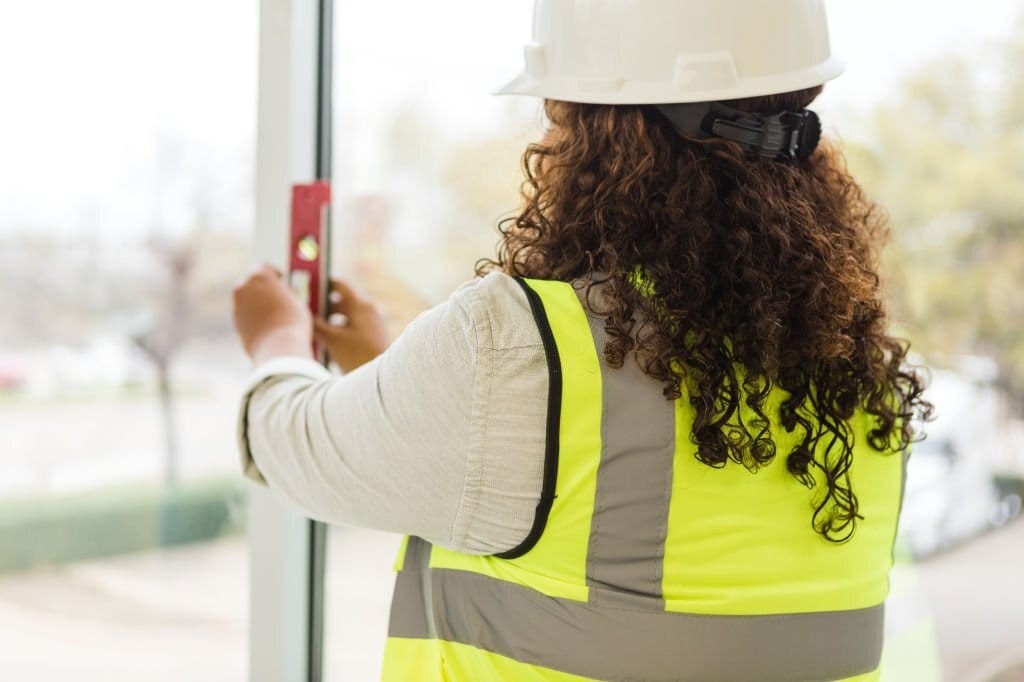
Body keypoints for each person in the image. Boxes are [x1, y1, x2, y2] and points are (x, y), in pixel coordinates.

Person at [232, 1, 933, 680]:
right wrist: (390, 372)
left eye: (559, 113)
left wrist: (278, 341)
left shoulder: (523, 347)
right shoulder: (862, 381)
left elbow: (300, 446)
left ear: (608, 135)